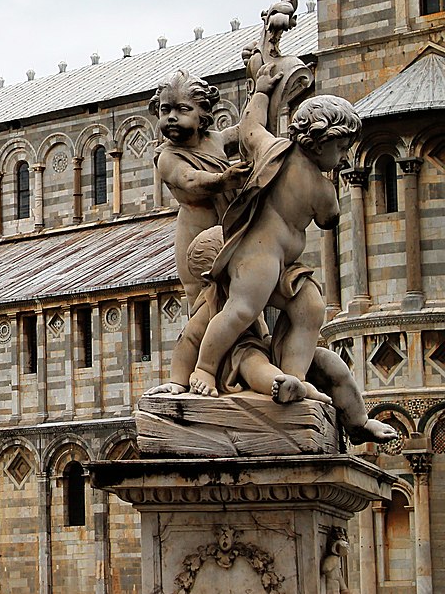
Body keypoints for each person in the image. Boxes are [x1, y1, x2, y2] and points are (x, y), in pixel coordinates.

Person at [190, 69, 361, 398]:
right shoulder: (322, 189)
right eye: (340, 148)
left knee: (311, 306)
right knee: (240, 311)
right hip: (260, 256)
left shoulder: (272, 149)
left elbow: (251, 127)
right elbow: (330, 219)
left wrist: (262, 91)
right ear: (316, 142)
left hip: (282, 265)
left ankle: (293, 378)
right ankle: (205, 368)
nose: (342, 158)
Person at [148, 226, 396, 444]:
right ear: (214, 276)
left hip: (271, 349)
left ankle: (360, 423)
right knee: (255, 364)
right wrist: (178, 382)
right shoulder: (214, 301)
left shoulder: (260, 278)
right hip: (240, 356)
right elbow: (188, 339)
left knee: (330, 362)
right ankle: (289, 387)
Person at [149, 71, 248, 307]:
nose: (172, 117)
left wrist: (259, 82)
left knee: (243, 293)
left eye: (182, 109)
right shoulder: (167, 157)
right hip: (195, 240)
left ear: (203, 115)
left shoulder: (215, 140)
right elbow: (190, 180)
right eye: (165, 110)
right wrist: (223, 179)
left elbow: (247, 129)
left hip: (230, 228)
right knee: (202, 302)